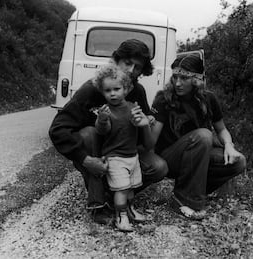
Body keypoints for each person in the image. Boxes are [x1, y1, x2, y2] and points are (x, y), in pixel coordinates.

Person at [48, 39, 168, 224]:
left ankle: (118, 195)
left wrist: (145, 124)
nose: (130, 71)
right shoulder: (92, 89)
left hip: (123, 152)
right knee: (89, 133)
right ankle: (98, 202)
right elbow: (58, 129)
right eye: (127, 63)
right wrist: (85, 159)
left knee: (159, 167)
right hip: (97, 154)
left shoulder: (137, 91)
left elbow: (145, 138)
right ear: (116, 60)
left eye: (137, 67)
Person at [149, 55, 246, 220]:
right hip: (170, 158)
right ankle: (184, 199)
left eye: (184, 78)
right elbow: (152, 140)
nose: (177, 83)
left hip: (197, 157)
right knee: (204, 135)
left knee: (239, 162)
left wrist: (229, 145)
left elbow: (221, 129)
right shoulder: (163, 98)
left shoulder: (209, 99)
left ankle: (191, 191)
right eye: (175, 77)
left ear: (197, 80)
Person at [93, 64, 153, 231]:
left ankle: (129, 210)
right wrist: (102, 119)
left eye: (117, 89)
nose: (112, 93)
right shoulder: (105, 111)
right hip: (115, 157)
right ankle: (121, 215)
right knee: (122, 189)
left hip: (132, 156)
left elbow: (142, 123)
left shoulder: (133, 107)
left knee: (132, 188)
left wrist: (146, 121)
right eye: (107, 90)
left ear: (126, 89)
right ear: (102, 91)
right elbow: (101, 130)